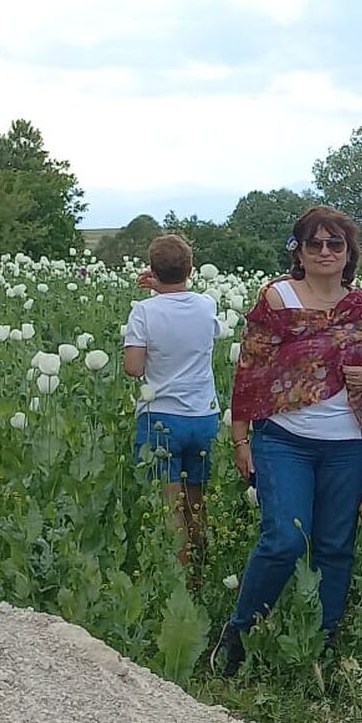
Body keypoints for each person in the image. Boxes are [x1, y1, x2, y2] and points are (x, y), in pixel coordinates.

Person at [209, 207, 362, 676]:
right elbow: (249, 371)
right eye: (315, 244)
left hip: (347, 444)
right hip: (284, 440)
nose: (326, 252)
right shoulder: (277, 298)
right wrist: (239, 439)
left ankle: (324, 642)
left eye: (336, 244)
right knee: (285, 541)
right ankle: (239, 631)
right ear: (299, 251)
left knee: (336, 546)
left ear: (349, 253)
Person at [123, 234, 224, 570]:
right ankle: (200, 576)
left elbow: (133, 368)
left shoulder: (143, 312)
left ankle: (178, 583)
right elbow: (184, 309)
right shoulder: (208, 305)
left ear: (152, 269)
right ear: (191, 268)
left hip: (161, 417)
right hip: (203, 416)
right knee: (196, 503)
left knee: (170, 507)